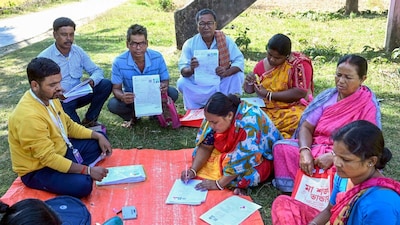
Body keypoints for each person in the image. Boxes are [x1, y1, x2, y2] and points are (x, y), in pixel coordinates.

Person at [272, 54, 381, 193]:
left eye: (348, 77)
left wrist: (335, 156)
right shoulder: (328, 96)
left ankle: (327, 190)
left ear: (362, 79)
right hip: (316, 146)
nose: (341, 81)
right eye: (338, 75)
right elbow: (306, 127)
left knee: (349, 167)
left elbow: (369, 142)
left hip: (346, 154)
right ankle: (302, 186)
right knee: (281, 148)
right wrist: (305, 151)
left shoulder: (367, 103)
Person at [8, 57, 112, 198]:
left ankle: (71, 169)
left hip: (61, 151)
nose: (59, 88)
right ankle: (74, 171)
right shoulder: (28, 117)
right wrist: (86, 170)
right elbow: (48, 158)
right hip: (39, 169)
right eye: (52, 84)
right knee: (83, 185)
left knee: (100, 140)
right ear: (35, 85)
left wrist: (98, 135)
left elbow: (69, 126)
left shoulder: (50, 97)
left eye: (59, 82)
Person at [271, 120, 400, 225]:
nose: (337, 163)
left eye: (345, 159)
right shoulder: (343, 176)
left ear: (371, 161)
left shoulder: (381, 204)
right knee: (283, 203)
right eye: (335, 155)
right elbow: (329, 211)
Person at [180, 92, 283, 195]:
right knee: (197, 155)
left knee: (245, 176)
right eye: (209, 121)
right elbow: (206, 146)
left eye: (214, 122)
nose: (211, 125)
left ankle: (233, 181)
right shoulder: (213, 116)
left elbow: (245, 158)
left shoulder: (250, 120)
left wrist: (219, 184)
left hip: (261, 157)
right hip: (235, 153)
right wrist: (193, 170)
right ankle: (228, 177)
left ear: (229, 115)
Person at [38, 17, 112, 127]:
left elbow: (97, 70)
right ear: (55, 35)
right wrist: (55, 92)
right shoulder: (44, 57)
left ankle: (90, 120)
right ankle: (74, 123)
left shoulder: (78, 51)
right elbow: (39, 87)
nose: (68, 38)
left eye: (71, 34)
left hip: (79, 93)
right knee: (77, 130)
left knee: (105, 84)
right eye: (64, 34)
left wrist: (92, 80)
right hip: (61, 100)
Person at [107, 24, 179, 127]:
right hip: (133, 99)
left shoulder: (157, 57)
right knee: (113, 104)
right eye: (134, 44)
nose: (138, 48)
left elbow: (165, 80)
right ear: (127, 44)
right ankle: (133, 116)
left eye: (142, 43)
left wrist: (163, 86)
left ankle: (155, 114)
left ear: (147, 44)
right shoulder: (119, 62)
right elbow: (116, 89)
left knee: (172, 92)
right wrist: (123, 96)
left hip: (154, 96)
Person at [243, 33, 314, 138]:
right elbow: (249, 90)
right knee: (246, 116)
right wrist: (249, 82)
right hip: (267, 107)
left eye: (277, 58)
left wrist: (269, 95)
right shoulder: (261, 65)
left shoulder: (299, 64)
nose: (272, 59)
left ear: (287, 56)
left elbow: (300, 92)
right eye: (269, 55)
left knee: (301, 119)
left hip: (293, 107)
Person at [177, 8, 245, 110]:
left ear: (215, 25)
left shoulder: (225, 40)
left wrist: (226, 72)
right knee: (182, 82)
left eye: (209, 23)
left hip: (221, 81)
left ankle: (228, 104)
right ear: (197, 27)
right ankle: (195, 109)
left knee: (237, 76)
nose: (206, 27)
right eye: (202, 24)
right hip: (199, 84)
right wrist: (191, 69)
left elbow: (239, 60)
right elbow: (183, 70)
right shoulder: (190, 44)